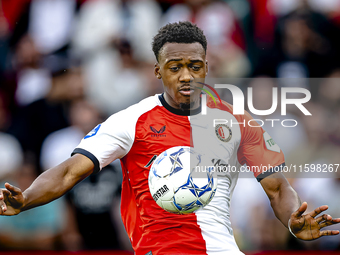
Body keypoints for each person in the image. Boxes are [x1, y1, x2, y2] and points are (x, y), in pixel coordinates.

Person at [0, 21, 339, 255]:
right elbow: (70, 171)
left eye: (194, 65)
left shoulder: (236, 122)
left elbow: (278, 188)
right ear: (158, 71)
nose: (186, 75)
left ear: (206, 67)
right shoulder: (131, 121)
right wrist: (26, 198)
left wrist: (295, 220)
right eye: (175, 67)